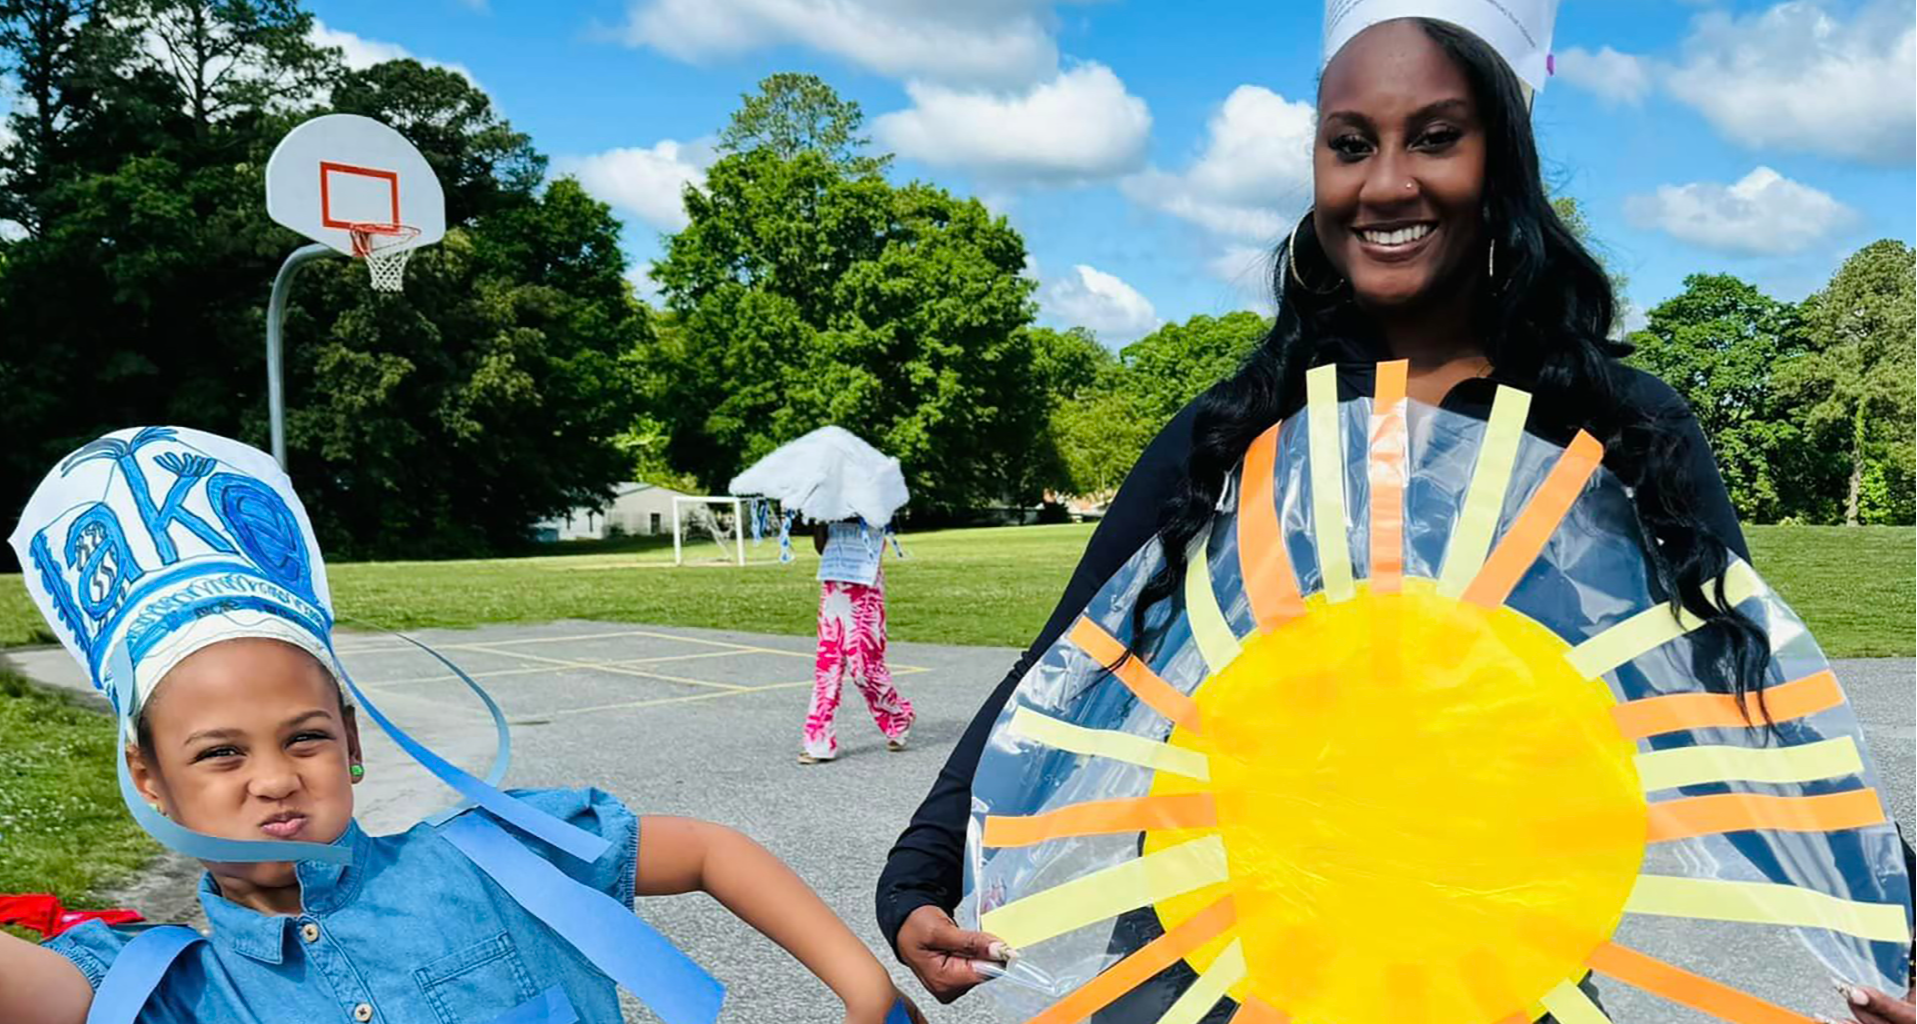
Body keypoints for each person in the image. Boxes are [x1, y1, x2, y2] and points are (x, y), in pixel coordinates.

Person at [874, 12, 1916, 1024]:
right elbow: (1074, 653)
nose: (1385, 184)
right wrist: (921, 872)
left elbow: (1753, 690)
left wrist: (1904, 940)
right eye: (1349, 145)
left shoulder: (1616, 429)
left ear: (1499, 164)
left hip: (1485, 958)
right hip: (1216, 949)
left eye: (1435, 137)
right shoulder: (1239, 424)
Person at [0, 427, 923, 1024]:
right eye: (221, 753)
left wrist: (863, 987)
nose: (275, 777)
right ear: (148, 779)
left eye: (305, 737)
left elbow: (712, 852)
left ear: (354, 744)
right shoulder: (158, 990)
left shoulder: (493, 861)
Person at [801, 519, 915, 764]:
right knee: (827, 666)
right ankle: (818, 742)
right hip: (834, 587)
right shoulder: (827, 505)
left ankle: (898, 715)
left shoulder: (873, 504)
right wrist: (820, 521)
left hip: (865, 591)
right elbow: (821, 547)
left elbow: (879, 541)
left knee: (864, 669)